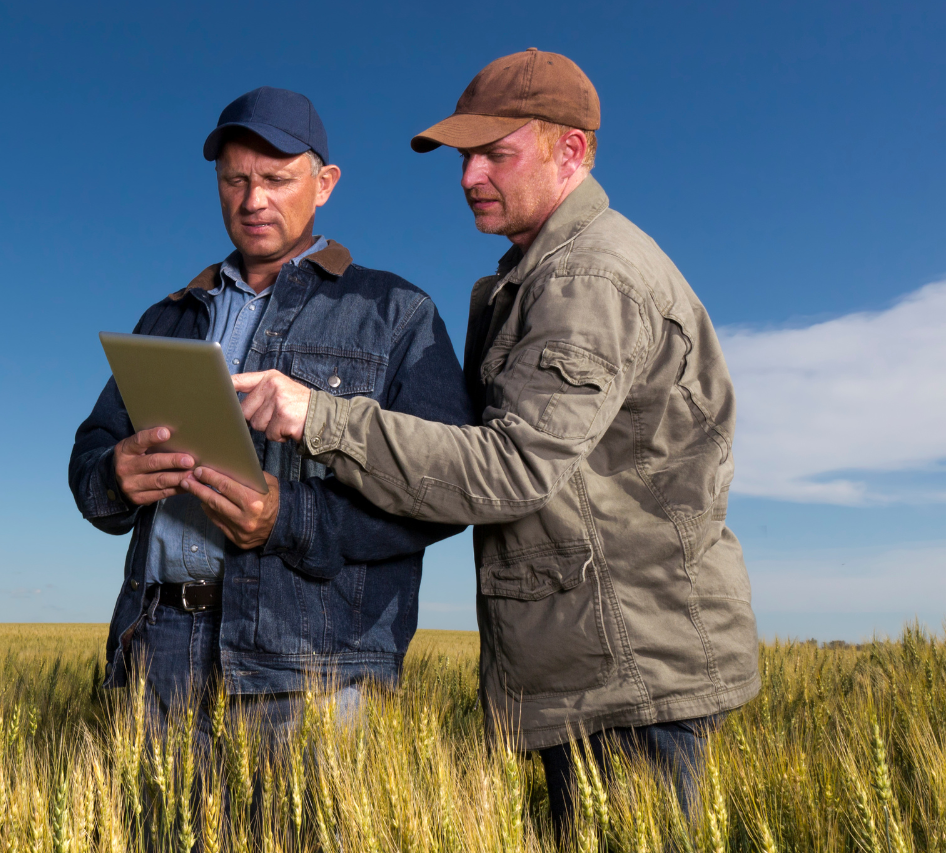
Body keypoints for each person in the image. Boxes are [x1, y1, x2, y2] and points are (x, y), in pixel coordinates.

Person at [223, 51, 760, 823]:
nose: (470, 176)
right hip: (595, 664)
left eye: (494, 154)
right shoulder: (537, 275)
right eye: (463, 156)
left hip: (630, 675)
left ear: (568, 151)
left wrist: (320, 415)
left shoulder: (589, 279)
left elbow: (513, 469)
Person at [69, 86, 470, 727]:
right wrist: (113, 475)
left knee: (301, 833)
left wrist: (292, 519)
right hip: (158, 644)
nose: (253, 200)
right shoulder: (167, 317)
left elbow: (449, 492)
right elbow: (92, 450)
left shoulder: (397, 315)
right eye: (236, 180)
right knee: (160, 833)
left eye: (277, 179)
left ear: (325, 184)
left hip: (312, 660)